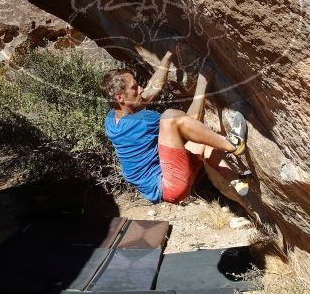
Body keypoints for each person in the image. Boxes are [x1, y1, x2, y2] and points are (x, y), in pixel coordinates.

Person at [100, 50, 250, 204]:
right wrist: (203, 82)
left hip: (167, 185)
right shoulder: (141, 122)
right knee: (170, 117)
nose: (141, 89)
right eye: (135, 87)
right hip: (170, 184)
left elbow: (152, 89)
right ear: (120, 97)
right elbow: (188, 121)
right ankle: (232, 144)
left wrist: (168, 55)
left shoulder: (112, 118)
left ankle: (237, 180)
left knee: (203, 140)